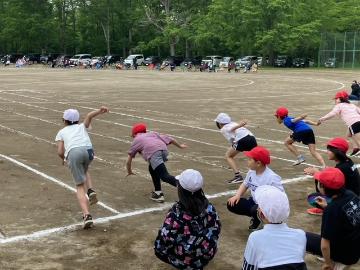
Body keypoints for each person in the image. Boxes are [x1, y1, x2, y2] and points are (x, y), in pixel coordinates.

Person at [154, 169, 221, 270]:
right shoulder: (209, 208)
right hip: (204, 256)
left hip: (184, 261)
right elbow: (217, 229)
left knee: (159, 247)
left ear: (180, 189)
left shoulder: (175, 215)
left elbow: (164, 241)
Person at [55, 106, 109, 229]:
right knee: (84, 170)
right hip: (89, 151)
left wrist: (63, 158)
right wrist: (100, 111)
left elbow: (60, 151)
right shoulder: (81, 127)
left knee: (79, 186)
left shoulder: (61, 132)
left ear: (64, 121)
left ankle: (87, 215)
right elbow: (89, 116)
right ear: (77, 120)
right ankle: (90, 190)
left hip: (74, 153)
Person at [306, 167, 360, 269]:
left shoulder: (331, 209)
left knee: (303, 237)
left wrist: (328, 263)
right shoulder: (351, 194)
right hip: (356, 248)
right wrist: (326, 207)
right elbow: (343, 215)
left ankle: (335, 262)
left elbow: (325, 246)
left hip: (346, 255)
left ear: (322, 186)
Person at [242, 185, 307, 270]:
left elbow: (248, 267)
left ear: (261, 215)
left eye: (258, 208)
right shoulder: (300, 234)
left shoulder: (255, 237)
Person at [126, 123, 187, 203]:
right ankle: (158, 193)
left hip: (155, 153)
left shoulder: (136, 140)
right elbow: (170, 139)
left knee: (164, 176)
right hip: (164, 151)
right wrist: (180, 146)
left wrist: (129, 171)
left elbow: (128, 161)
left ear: (134, 134)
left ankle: (186, 187)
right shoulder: (152, 133)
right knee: (152, 168)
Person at [227, 146, 284, 230]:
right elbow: (245, 184)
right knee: (232, 204)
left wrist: (265, 207)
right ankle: (257, 217)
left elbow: (280, 197)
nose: (247, 161)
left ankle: (264, 219)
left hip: (267, 206)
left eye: (250, 159)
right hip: (255, 202)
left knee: (255, 210)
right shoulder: (251, 171)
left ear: (258, 163)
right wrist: (237, 195)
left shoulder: (272, 177)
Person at [304, 137, 360, 215]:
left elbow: (331, 186)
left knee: (312, 198)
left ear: (337, 152)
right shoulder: (348, 161)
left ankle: (326, 208)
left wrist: (316, 173)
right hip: (353, 195)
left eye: (329, 150)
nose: (327, 152)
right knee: (321, 177)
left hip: (347, 200)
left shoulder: (341, 168)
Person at [214, 113, 258, 184]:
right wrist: (239, 125)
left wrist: (239, 126)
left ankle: (238, 176)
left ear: (220, 123)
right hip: (252, 138)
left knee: (228, 156)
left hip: (242, 140)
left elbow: (230, 131)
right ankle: (260, 174)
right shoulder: (233, 123)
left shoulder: (223, 129)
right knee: (255, 157)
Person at [319, 90, 360, 156]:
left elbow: (332, 114)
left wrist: (322, 119)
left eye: (336, 98)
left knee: (359, 141)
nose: (335, 100)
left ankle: (358, 148)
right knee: (349, 135)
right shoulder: (351, 105)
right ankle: (356, 148)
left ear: (341, 98)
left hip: (354, 124)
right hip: (357, 122)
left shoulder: (339, 105)